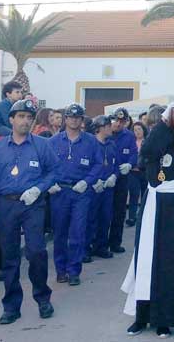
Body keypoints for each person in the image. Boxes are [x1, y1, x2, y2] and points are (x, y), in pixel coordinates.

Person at [122, 104, 174, 338]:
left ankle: (164, 319)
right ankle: (141, 315)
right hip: (154, 202)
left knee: (170, 262)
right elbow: (147, 152)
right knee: (146, 260)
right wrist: (164, 126)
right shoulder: (156, 141)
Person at [0, 98, 57, 325]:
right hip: (5, 205)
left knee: (36, 252)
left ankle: (42, 297)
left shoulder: (42, 145)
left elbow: (54, 172)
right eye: (21, 116)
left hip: (32, 204)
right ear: (11, 119)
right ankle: (12, 306)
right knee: (9, 255)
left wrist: (39, 188)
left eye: (30, 118)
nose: (26, 121)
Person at [47, 104, 102, 285]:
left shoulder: (91, 141)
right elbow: (45, 164)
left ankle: (74, 270)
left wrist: (87, 181)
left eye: (77, 117)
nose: (74, 120)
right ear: (65, 119)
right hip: (59, 191)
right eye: (70, 117)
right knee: (60, 232)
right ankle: (61, 270)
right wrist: (50, 183)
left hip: (80, 192)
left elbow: (98, 164)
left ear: (82, 120)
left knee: (78, 232)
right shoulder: (54, 141)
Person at [86, 115, 117, 260]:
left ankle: (101, 246)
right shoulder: (90, 144)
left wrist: (114, 176)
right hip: (93, 187)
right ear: (101, 128)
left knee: (106, 217)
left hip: (108, 187)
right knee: (90, 218)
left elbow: (116, 164)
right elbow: (86, 165)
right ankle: (86, 248)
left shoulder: (111, 144)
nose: (111, 128)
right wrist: (93, 180)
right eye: (109, 126)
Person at [109, 109, 136, 253]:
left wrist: (130, 164)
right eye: (116, 120)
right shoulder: (105, 133)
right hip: (105, 178)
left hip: (121, 179)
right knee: (102, 212)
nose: (118, 124)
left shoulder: (129, 136)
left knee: (119, 212)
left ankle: (115, 243)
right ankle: (98, 243)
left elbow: (134, 154)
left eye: (122, 121)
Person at [127, 121, 148, 226]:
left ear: (143, 129)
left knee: (145, 194)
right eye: (135, 130)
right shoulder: (131, 142)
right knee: (134, 195)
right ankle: (131, 217)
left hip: (144, 171)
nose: (137, 132)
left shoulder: (148, 141)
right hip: (133, 172)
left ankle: (143, 216)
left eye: (139, 129)